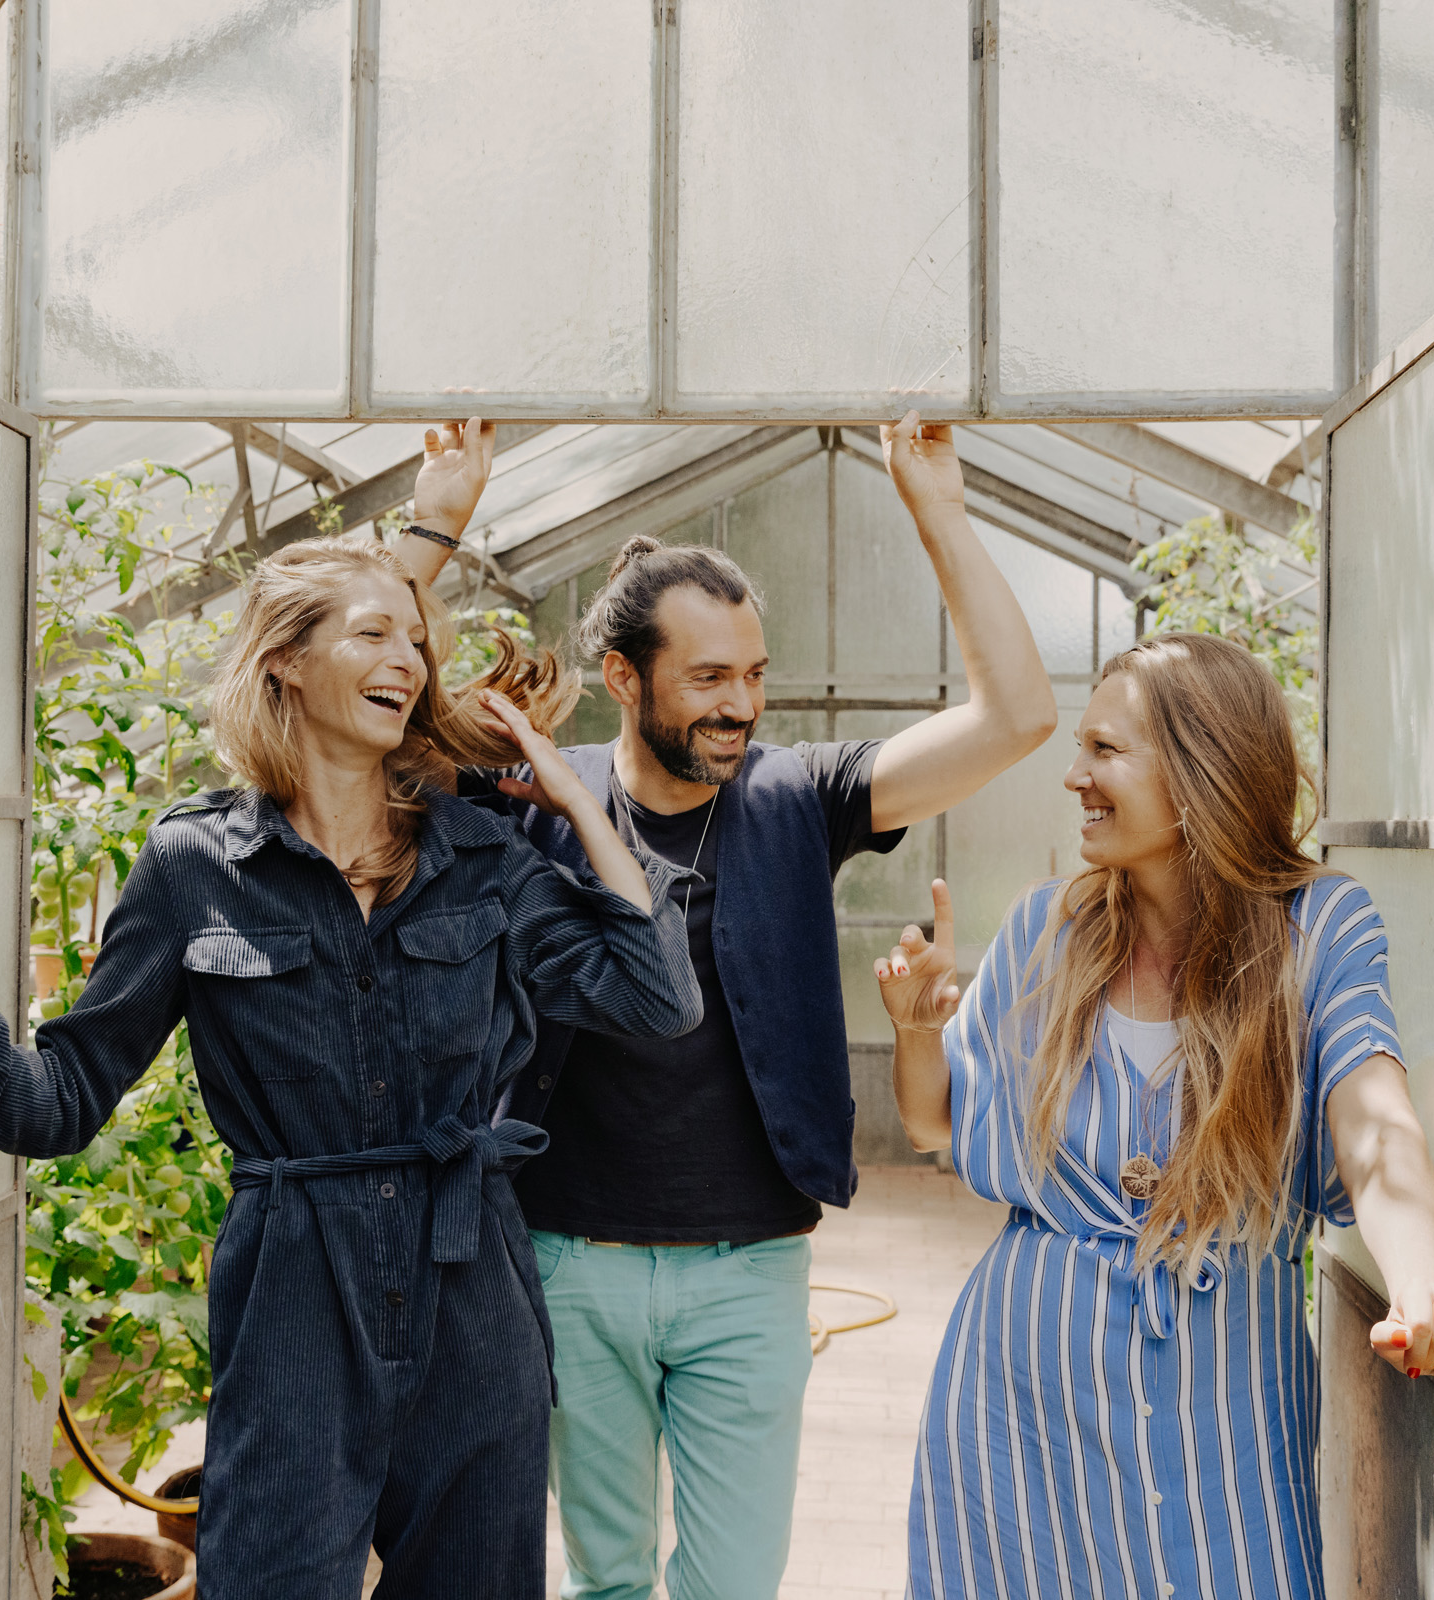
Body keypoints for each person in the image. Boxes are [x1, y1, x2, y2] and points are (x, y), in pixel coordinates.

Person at [0, 427, 705, 1599]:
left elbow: (655, 997)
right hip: (295, 1286)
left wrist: (573, 799)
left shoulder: (480, 856)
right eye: (372, 633)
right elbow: (59, 1102)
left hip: (472, 1288)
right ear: (286, 662)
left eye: (416, 641)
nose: (406, 657)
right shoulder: (194, 864)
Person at [385, 414, 1058, 1599]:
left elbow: (1015, 720)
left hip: (748, 1267)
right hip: (563, 1257)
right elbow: (349, 722)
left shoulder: (804, 796)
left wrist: (935, 505)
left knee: (731, 1586)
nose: (740, 704)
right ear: (621, 678)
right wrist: (436, 519)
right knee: (601, 1582)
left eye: (752, 674)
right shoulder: (537, 795)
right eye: (706, 678)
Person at [876, 631, 1434, 1599]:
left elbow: (1375, 1126)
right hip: (1018, 1411)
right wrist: (916, 1028)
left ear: (1198, 768)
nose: (1073, 776)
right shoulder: (1045, 929)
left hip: (1230, 1412)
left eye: (1103, 750)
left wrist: (1422, 1284)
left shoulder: (1319, 928)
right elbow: (934, 1126)